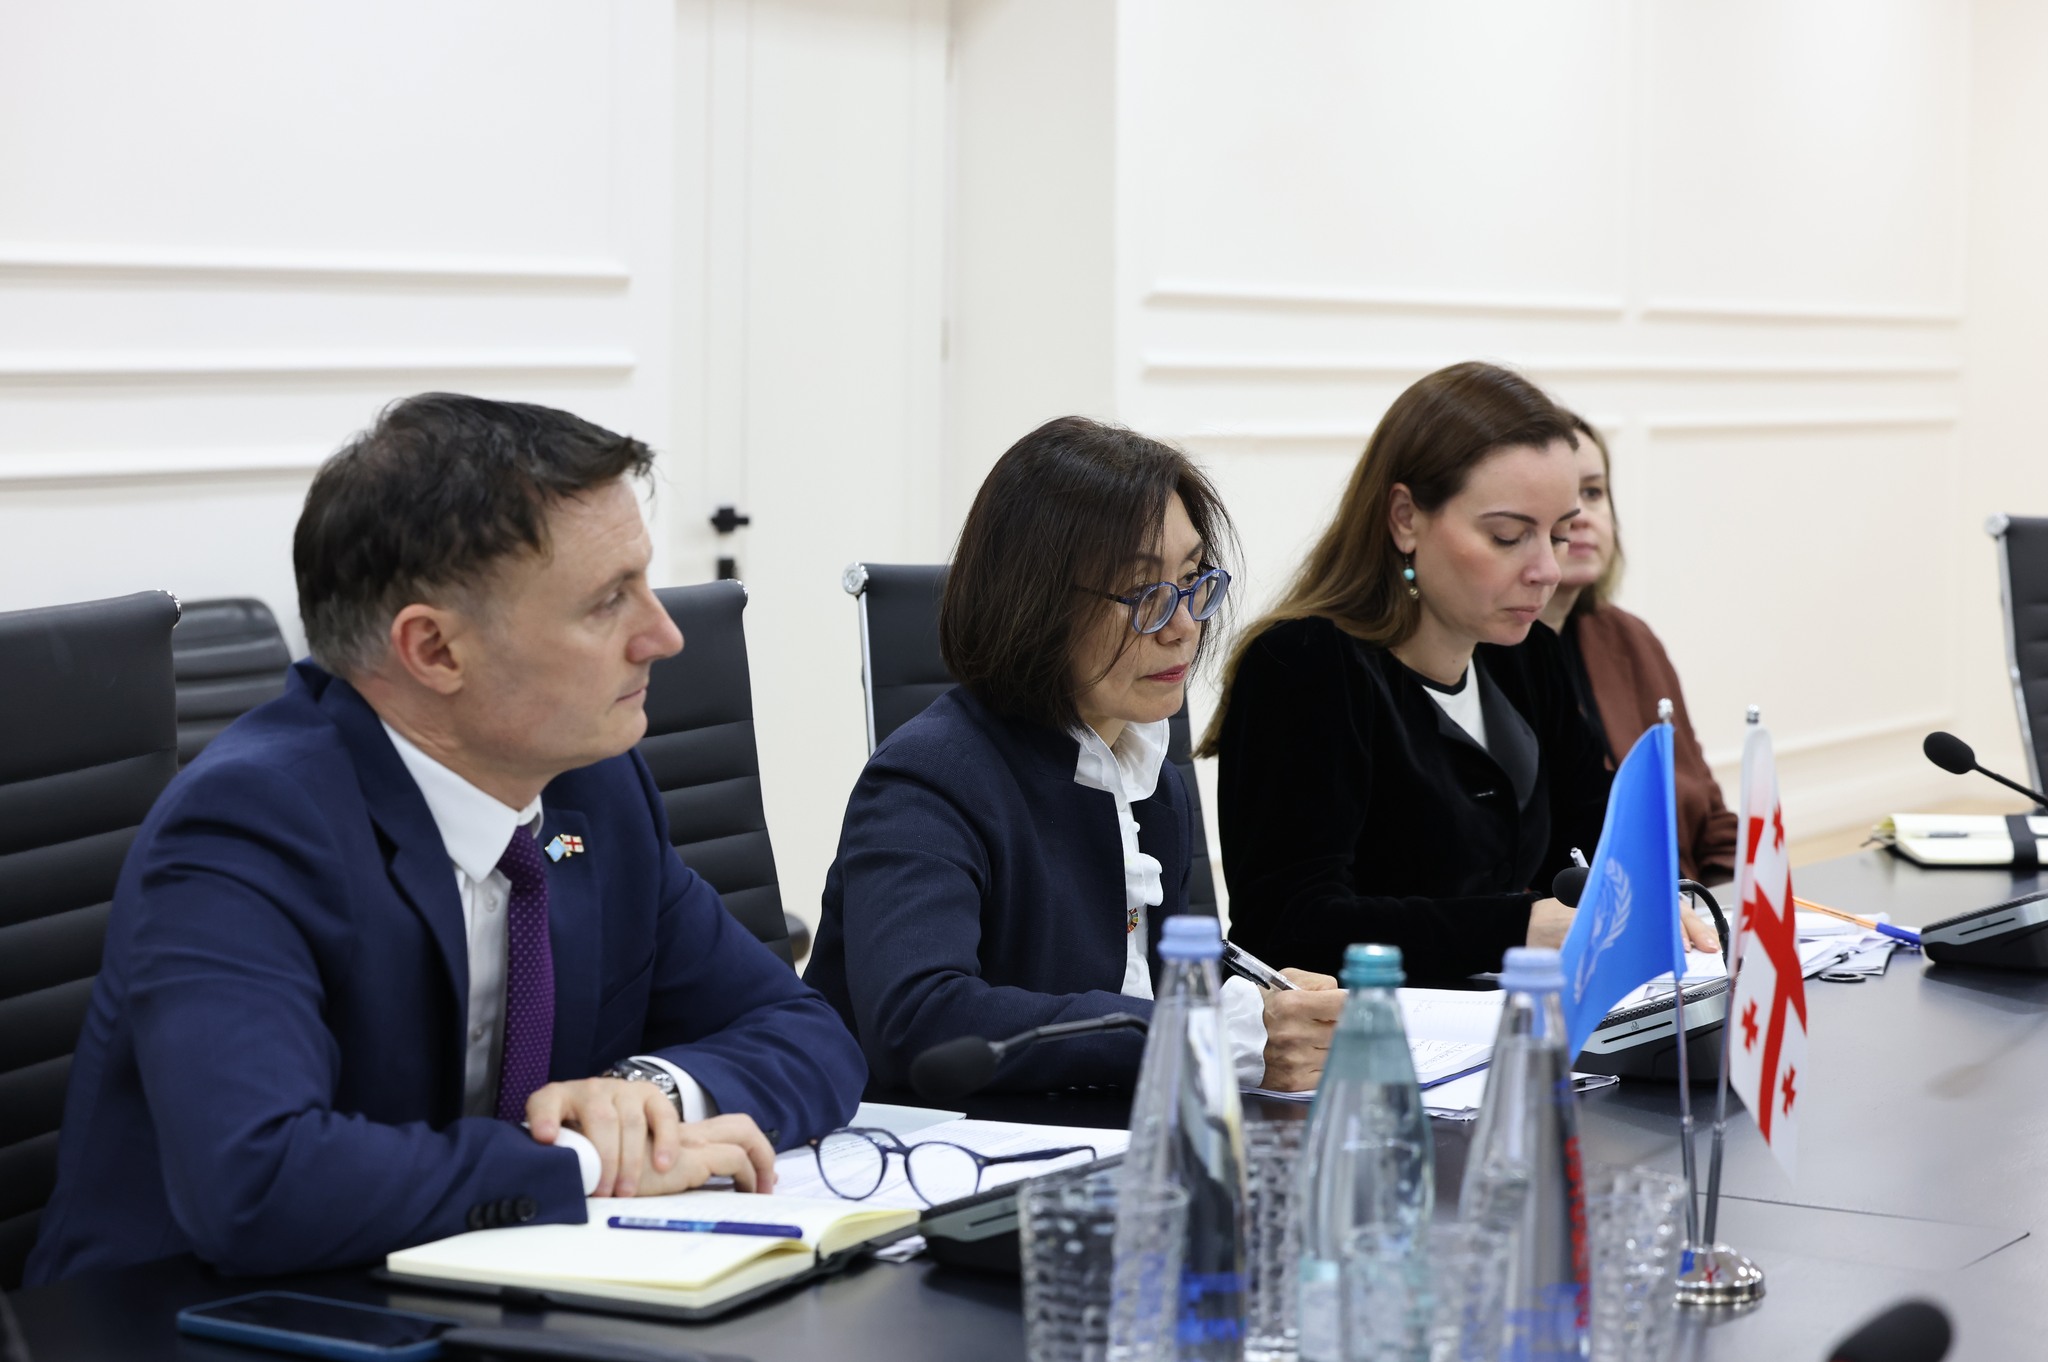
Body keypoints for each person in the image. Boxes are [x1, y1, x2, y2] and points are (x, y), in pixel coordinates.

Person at [27, 394, 865, 1285]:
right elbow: (258, 1180)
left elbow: (806, 1033)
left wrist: (647, 1098)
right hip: (199, 1313)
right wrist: (583, 1159)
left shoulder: (591, 791)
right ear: (433, 650)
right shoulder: (249, 827)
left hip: (483, 1285)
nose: (663, 635)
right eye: (606, 602)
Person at [806, 417, 1343, 1095]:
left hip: (1106, 1131)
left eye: (1192, 578)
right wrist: (1199, 1035)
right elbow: (921, 1021)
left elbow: (1153, 982)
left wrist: (1269, 1010)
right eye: (1143, 593)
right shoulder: (925, 781)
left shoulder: (1152, 779)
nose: (1184, 625)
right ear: (1034, 604)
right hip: (943, 1146)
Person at [1202, 363, 1718, 984]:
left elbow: (1598, 832)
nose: (1547, 571)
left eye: (1557, 535)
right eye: (1508, 536)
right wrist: (1520, 929)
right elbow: (1286, 927)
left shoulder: (1525, 652)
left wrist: (1653, 894)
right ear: (1405, 518)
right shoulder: (1304, 665)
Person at [1540, 415, 1738, 883]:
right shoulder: (1488, 660)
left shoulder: (1631, 638)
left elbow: (1711, 818)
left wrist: (1733, 903)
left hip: (1693, 908)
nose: (1581, 516)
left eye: (1593, 492)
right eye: (1559, 499)